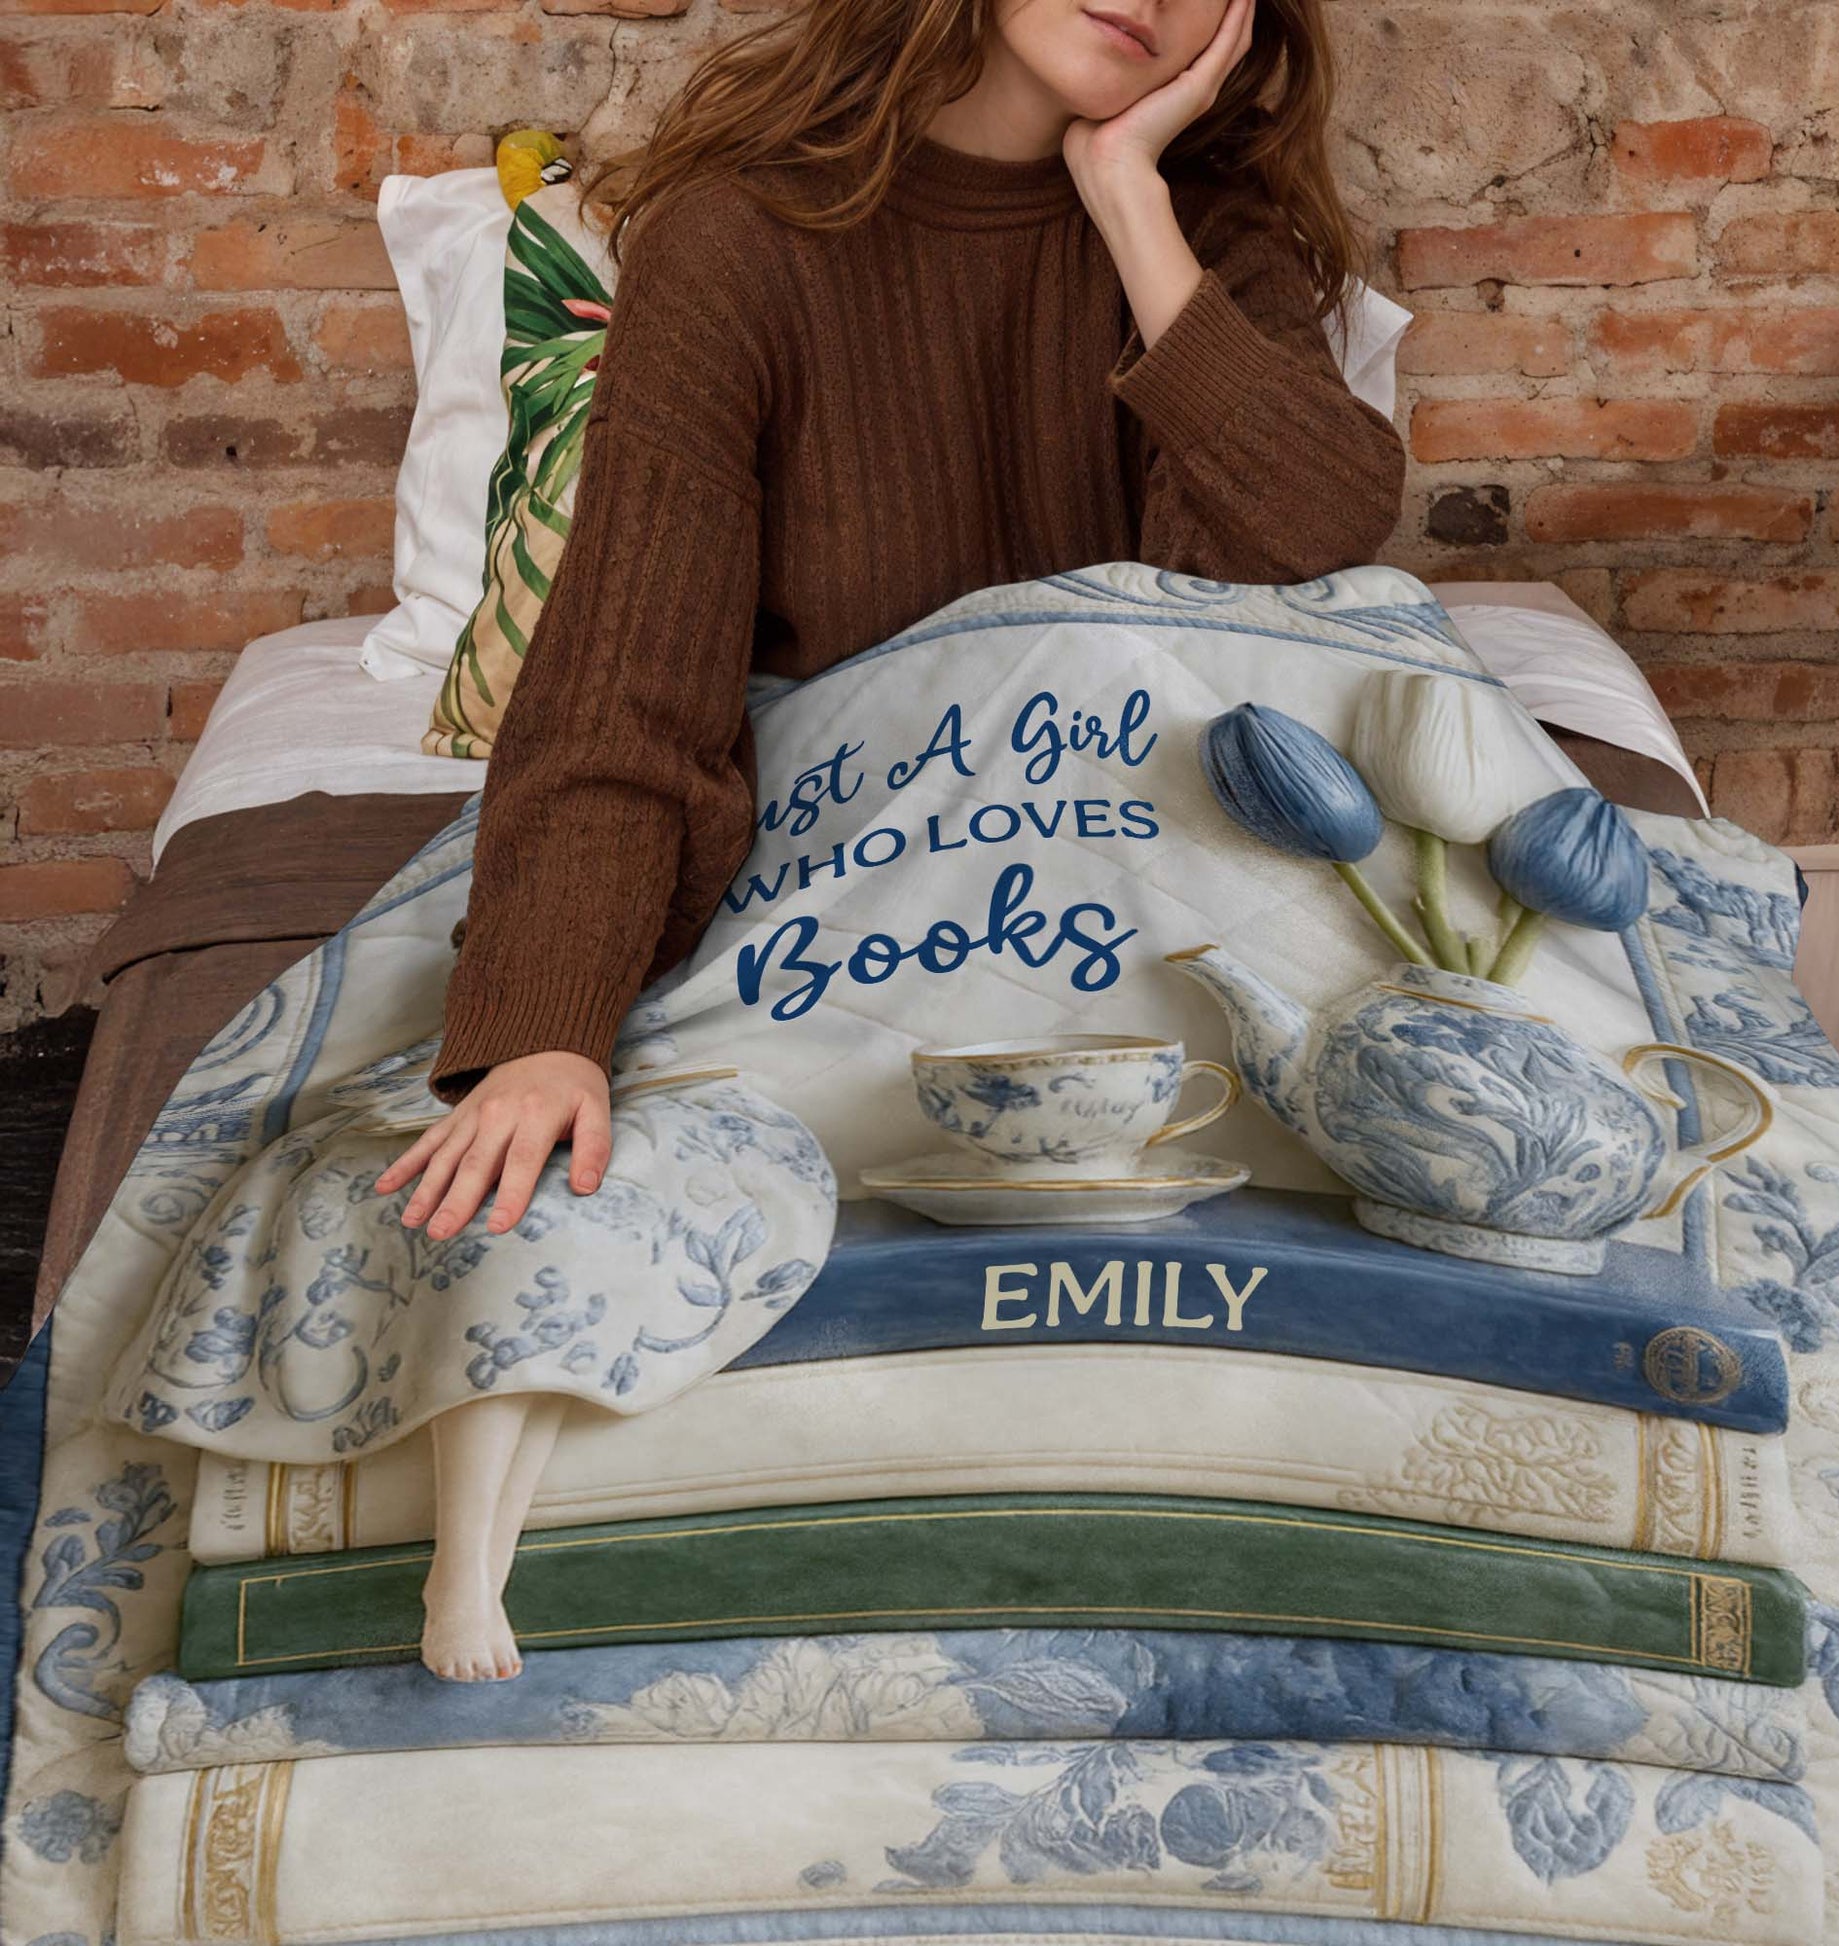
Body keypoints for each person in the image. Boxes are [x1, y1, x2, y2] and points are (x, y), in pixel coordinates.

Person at [373, 0, 1407, 1680]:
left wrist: (1129, 202)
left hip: (1163, 886)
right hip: (858, 893)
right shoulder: (739, 242)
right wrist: (547, 1027)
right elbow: (633, 693)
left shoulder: (1212, 246)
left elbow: (1312, 542)